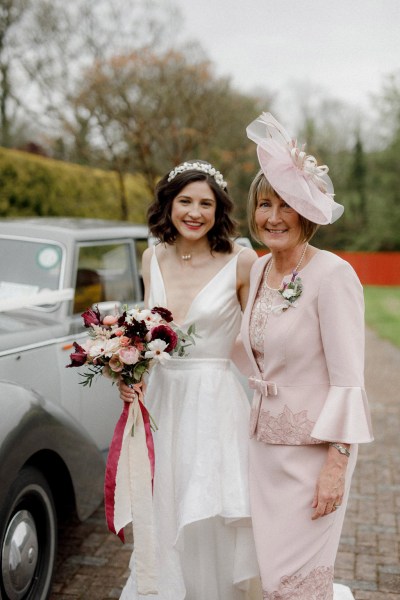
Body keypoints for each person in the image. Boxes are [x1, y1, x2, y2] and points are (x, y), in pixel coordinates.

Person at [240, 113, 374, 600]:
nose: (273, 217)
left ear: (307, 211)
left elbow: (348, 380)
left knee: (297, 585)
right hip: (263, 450)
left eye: (287, 205)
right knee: (271, 577)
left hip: (315, 456)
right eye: (264, 204)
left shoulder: (334, 276)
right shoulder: (256, 271)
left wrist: (337, 464)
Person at [118, 160, 261, 599]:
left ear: (219, 211)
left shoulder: (242, 261)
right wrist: (129, 373)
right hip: (161, 402)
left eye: (206, 203)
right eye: (185, 201)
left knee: (208, 508)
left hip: (214, 401)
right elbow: (143, 336)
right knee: (162, 504)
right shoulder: (151, 257)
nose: (195, 212)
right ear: (169, 204)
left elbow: (262, 335)